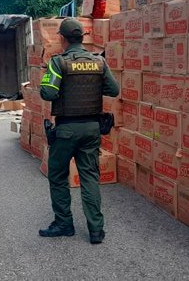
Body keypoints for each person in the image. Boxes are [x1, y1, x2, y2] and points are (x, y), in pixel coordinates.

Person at [39, 18, 119, 244]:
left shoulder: (58, 63)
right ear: (82, 37)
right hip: (92, 129)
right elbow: (114, 90)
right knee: (90, 178)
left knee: (57, 175)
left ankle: (64, 224)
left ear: (62, 39)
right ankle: (96, 230)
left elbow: (48, 94)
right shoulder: (99, 62)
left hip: (66, 130)